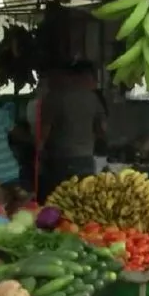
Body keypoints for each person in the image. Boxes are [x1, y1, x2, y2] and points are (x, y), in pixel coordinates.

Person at [38, 62, 105, 201]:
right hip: (86, 159)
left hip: (61, 160)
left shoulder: (54, 97)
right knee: (85, 202)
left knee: (61, 202)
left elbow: (44, 133)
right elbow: (102, 129)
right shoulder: (93, 98)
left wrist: (39, 154)